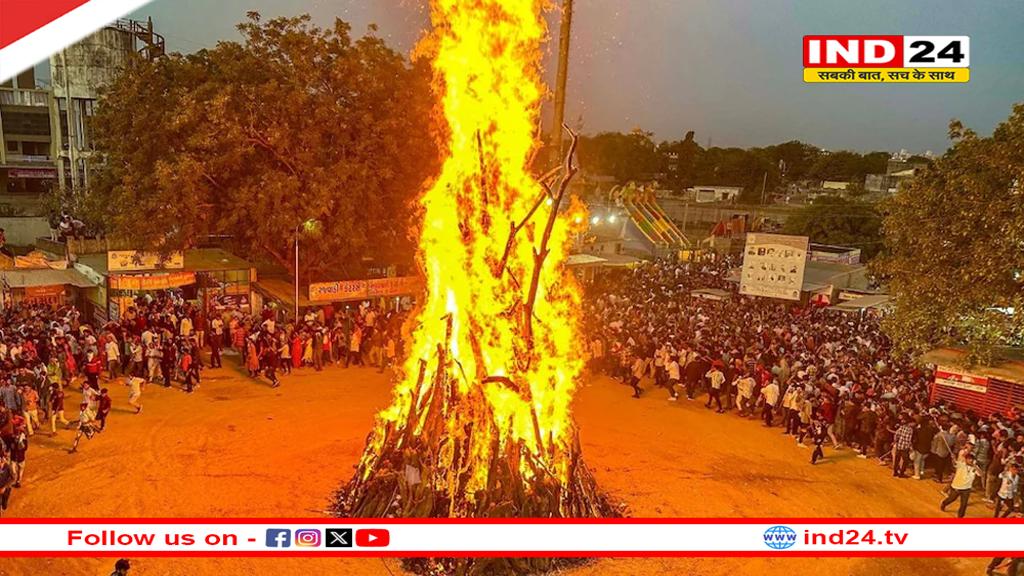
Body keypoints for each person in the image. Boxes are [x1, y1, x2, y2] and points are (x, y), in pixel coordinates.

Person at [940, 450, 983, 518]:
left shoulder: (975, 468)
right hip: (957, 487)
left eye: (971, 459)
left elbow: (981, 474)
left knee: (964, 504)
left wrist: (975, 466)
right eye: (969, 459)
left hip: (967, 488)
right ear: (965, 460)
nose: (970, 461)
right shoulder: (961, 464)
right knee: (951, 499)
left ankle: (960, 517)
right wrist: (953, 458)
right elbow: (955, 463)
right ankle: (944, 503)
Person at [0, 449, 15, 517]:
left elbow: (13, 478)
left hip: (6, 490)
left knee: (4, 505)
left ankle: (4, 504)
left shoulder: (8, 467)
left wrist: (5, 487)